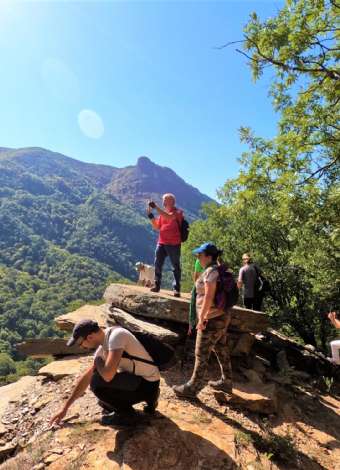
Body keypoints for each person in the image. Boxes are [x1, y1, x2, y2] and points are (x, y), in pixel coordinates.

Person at [50, 320, 160, 427]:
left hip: (148, 383)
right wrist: (64, 409)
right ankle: (151, 399)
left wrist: (98, 362)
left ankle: (128, 416)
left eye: (80, 343)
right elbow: (85, 378)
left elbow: (107, 376)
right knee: (103, 402)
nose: (81, 347)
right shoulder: (104, 344)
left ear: (89, 337)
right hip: (142, 380)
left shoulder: (116, 336)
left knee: (96, 382)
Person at [173, 242, 233, 398]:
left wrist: (202, 318)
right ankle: (227, 382)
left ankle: (192, 388)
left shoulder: (211, 272)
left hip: (211, 319)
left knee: (201, 353)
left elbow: (208, 296)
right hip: (221, 316)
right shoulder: (218, 269)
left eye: (200, 255)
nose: (198, 257)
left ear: (209, 256)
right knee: (221, 348)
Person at [147, 193, 184, 297]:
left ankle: (176, 289)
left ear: (171, 202)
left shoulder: (178, 212)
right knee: (157, 263)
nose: (162, 202)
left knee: (175, 266)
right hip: (162, 242)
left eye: (164, 200)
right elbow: (156, 227)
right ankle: (157, 285)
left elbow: (169, 217)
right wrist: (150, 216)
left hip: (174, 243)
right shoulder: (162, 214)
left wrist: (155, 207)